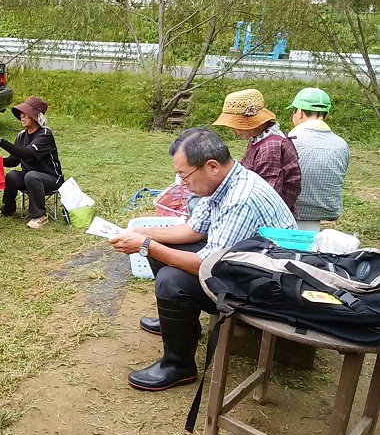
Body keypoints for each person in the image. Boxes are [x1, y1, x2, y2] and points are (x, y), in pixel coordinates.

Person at [108, 128, 296, 391]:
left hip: (266, 287)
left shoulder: (241, 199)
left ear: (212, 166)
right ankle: (182, 325)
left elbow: (207, 265)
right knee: (163, 249)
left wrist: (146, 245)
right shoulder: (222, 183)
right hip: (245, 265)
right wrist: (144, 233)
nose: (182, 183)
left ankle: (179, 365)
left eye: (184, 175)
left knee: (170, 280)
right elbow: (193, 230)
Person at [213, 88, 301, 216]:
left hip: (269, 214)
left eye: (235, 125)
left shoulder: (271, 147)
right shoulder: (257, 138)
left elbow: (268, 194)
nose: (233, 130)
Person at [0, 95, 63, 229]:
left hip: (52, 179)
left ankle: (40, 216)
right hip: (30, 178)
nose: (22, 117)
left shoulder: (45, 134)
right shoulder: (22, 135)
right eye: (21, 114)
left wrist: (2, 142)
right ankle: (7, 209)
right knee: (12, 176)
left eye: (26, 114)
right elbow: (14, 160)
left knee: (31, 176)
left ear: (36, 116)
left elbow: (27, 154)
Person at [287, 88, 351, 231]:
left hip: (292, 210)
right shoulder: (342, 145)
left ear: (299, 112)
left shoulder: (289, 141)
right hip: (328, 209)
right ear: (326, 114)